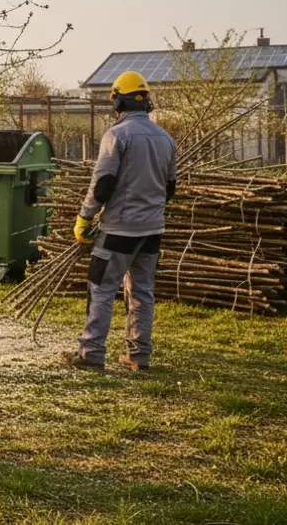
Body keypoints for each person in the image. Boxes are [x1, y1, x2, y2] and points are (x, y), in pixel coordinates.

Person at [62, 71, 177, 372]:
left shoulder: (117, 135)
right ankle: (139, 357)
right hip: (152, 231)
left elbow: (103, 184)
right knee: (142, 292)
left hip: (118, 232)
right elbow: (170, 188)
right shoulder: (166, 139)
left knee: (100, 289)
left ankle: (91, 354)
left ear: (118, 102)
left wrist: (84, 218)